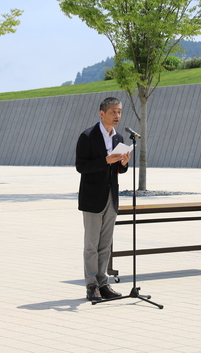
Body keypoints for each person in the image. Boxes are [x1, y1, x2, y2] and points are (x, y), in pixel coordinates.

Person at [76, 97, 131, 301]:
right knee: (91, 245)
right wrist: (104, 161)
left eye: (119, 112)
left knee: (106, 244)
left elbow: (117, 170)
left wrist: (123, 164)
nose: (117, 115)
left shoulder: (118, 139)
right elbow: (81, 166)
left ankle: (103, 283)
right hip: (92, 198)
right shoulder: (87, 136)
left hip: (111, 197)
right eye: (113, 112)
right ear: (102, 113)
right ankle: (92, 286)